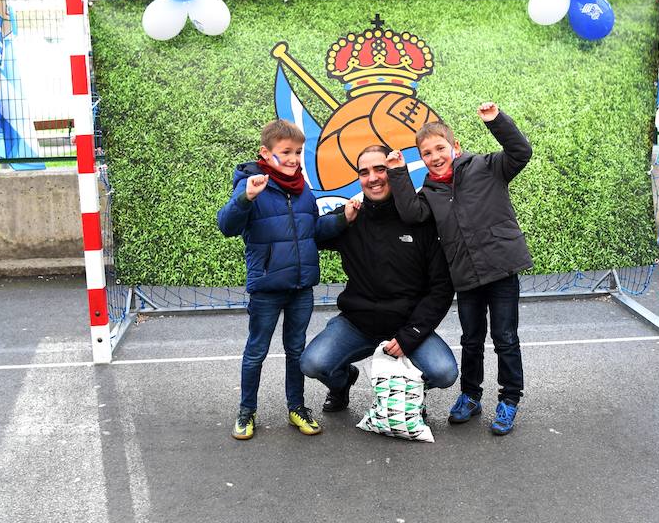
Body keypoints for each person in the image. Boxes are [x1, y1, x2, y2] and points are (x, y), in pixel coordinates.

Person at [385, 102, 533, 435]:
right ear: (421, 159)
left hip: (501, 269)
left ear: (455, 148)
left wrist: (495, 121)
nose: (435, 156)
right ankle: (470, 395)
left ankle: (509, 399)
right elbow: (410, 213)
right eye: (426, 153)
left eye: (440, 148)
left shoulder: (487, 166)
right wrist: (396, 172)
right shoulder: (430, 191)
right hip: (465, 276)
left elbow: (521, 151)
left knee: (505, 338)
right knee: (471, 340)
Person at [217, 119, 352, 441]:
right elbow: (227, 226)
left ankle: (297, 407)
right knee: (256, 352)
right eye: (285, 152)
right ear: (266, 153)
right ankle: (246, 410)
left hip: (301, 288)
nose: (293, 158)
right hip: (266, 289)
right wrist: (244, 199)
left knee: (296, 351)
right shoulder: (251, 185)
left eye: (297, 152)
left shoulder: (303, 189)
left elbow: (313, 232)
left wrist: (342, 220)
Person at [300, 145, 458, 414]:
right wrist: (341, 220)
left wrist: (412, 334)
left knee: (444, 373)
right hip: (357, 324)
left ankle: (406, 393)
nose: (373, 177)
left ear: (393, 171)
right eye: (364, 172)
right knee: (313, 364)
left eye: (380, 169)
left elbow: (441, 287)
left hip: (406, 328)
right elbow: (311, 236)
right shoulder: (350, 215)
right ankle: (342, 382)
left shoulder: (419, 218)